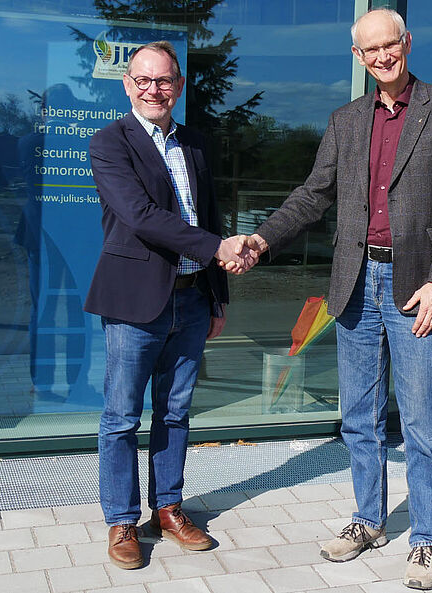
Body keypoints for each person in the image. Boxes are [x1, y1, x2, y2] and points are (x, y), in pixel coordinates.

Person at [242, 8, 432, 590]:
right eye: (369, 51)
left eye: (388, 45)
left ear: (407, 43)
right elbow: (313, 194)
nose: (381, 57)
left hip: (415, 286)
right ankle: (368, 520)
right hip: (355, 284)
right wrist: (262, 238)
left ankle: (426, 539)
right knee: (358, 419)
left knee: (421, 421)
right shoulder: (346, 120)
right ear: (359, 57)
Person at [84, 40, 255, 570]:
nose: (154, 90)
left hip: (192, 299)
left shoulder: (196, 143)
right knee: (120, 417)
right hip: (136, 301)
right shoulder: (109, 143)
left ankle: (168, 508)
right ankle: (120, 520)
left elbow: (211, 218)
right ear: (127, 85)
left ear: (179, 85)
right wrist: (215, 249)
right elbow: (139, 215)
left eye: (164, 81)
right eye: (143, 80)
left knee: (176, 411)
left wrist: (218, 293)